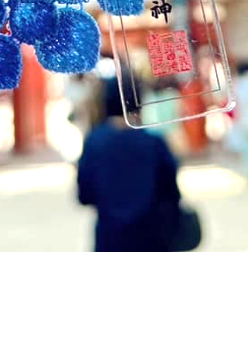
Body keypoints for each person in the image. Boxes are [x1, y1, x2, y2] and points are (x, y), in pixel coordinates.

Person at [77, 78, 183, 251]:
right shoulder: (154, 142)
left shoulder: (94, 142)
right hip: (152, 236)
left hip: (110, 237)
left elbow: (84, 195)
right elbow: (171, 192)